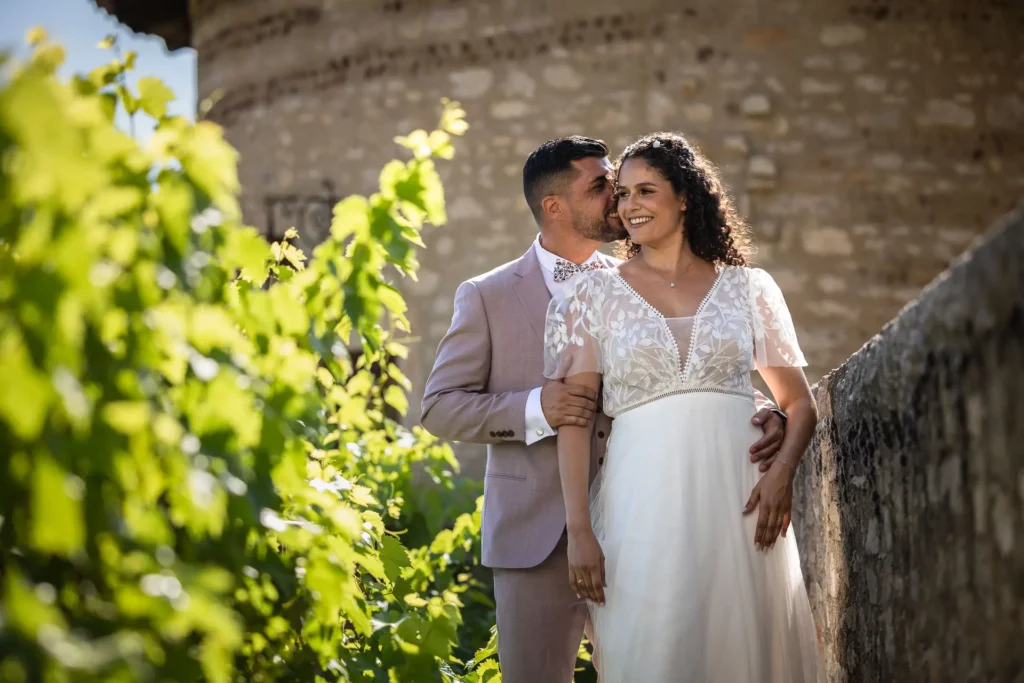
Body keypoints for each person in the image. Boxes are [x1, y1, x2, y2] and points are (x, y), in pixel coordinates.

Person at [420, 136, 789, 683]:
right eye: (601, 188)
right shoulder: (486, 295)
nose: (617, 200)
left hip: (651, 522)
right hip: (537, 538)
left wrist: (763, 408)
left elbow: (682, 367)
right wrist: (534, 406)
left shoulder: (629, 283)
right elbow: (439, 408)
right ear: (555, 206)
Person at [544, 132, 822, 681]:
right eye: (622, 195)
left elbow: (799, 403)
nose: (631, 206)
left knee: (744, 651)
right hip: (640, 505)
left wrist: (781, 475)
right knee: (656, 651)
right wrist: (580, 530)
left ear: (686, 197)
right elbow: (574, 424)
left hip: (741, 501)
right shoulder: (592, 295)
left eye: (645, 191)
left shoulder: (749, 289)